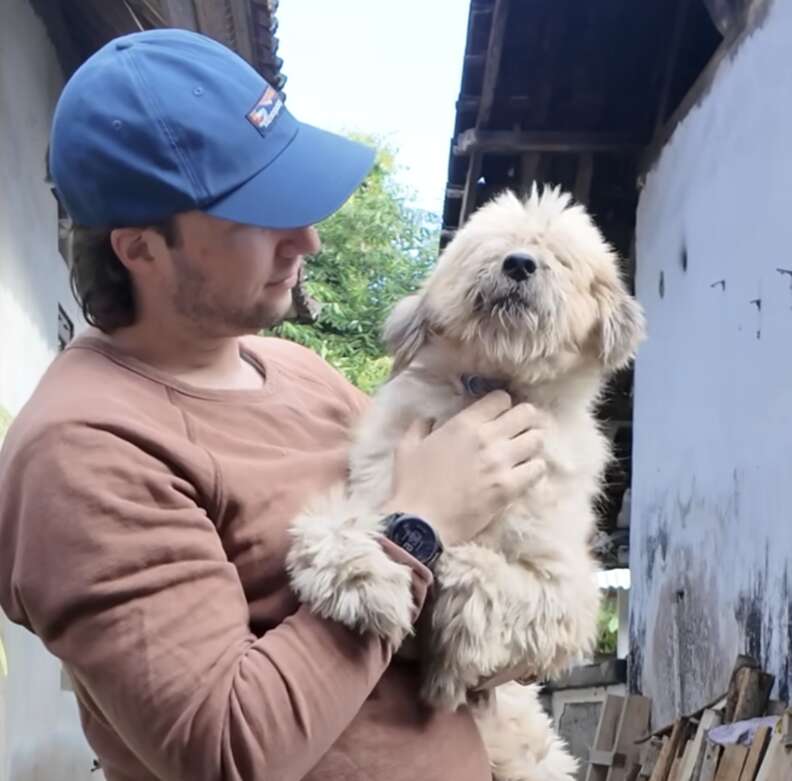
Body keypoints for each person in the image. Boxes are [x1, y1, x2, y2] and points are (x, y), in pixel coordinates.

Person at [0, 28, 545, 781]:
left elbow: (470, 600)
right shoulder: (85, 451)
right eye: (258, 216)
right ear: (140, 250)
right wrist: (419, 526)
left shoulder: (294, 370)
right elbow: (228, 751)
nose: (310, 240)